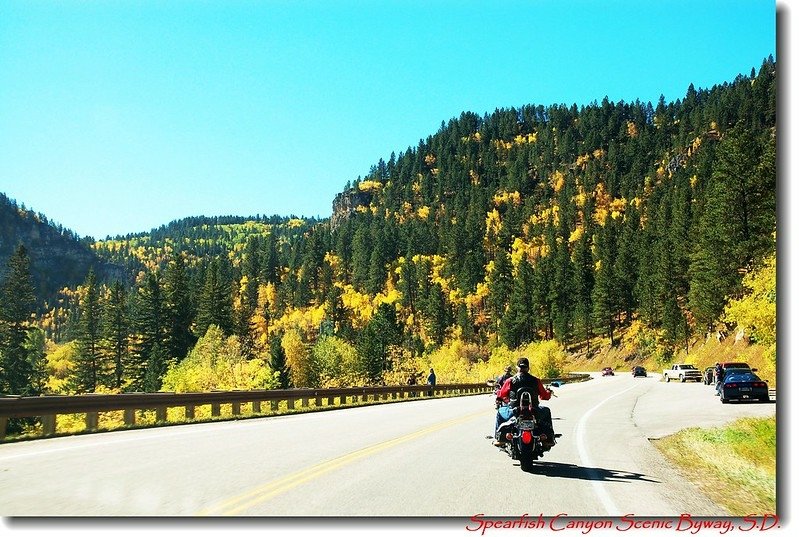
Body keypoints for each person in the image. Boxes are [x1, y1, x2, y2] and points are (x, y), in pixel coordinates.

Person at [494, 357, 555, 449]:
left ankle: (499, 438)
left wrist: (498, 393)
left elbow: (502, 395)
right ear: (528, 368)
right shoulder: (535, 380)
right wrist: (548, 393)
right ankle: (548, 439)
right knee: (546, 411)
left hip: (514, 411)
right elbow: (545, 396)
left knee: (500, 412)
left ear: (517, 367)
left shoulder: (510, 381)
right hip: (534, 410)